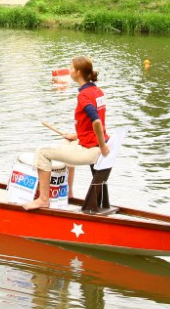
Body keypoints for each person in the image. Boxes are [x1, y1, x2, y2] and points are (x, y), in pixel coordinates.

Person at [24, 56, 111, 211]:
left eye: (71, 68)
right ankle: (69, 191)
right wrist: (77, 136)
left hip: (92, 149)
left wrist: (103, 147)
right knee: (65, 143)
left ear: (78, 72)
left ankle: (43, 199)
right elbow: (98, 123)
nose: (69, 71)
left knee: (42, 152)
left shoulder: (83, 95)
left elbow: (96, 121)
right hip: (94, 143)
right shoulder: (97, 91)